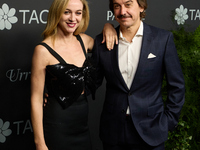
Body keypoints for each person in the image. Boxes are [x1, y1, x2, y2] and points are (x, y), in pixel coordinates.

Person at [92, 0, 185, 149]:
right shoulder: (102, 42)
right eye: (117, 6)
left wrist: (168, 122)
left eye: (128, 4)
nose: (122, 11)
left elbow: (177, 86)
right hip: (113, 132)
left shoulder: (162, 39)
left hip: (152, 130)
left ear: (141, 7)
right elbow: (91, 83)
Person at [30, 0, 117, 149]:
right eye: (66, 12)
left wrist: (108, 26)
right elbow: (36, 100)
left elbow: (106, 40)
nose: (73, 18)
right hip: (57, 126)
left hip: (82, 127)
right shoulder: (42, 50)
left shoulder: (84, 41)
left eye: (78, 13)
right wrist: (40, 143)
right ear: (57, 13)